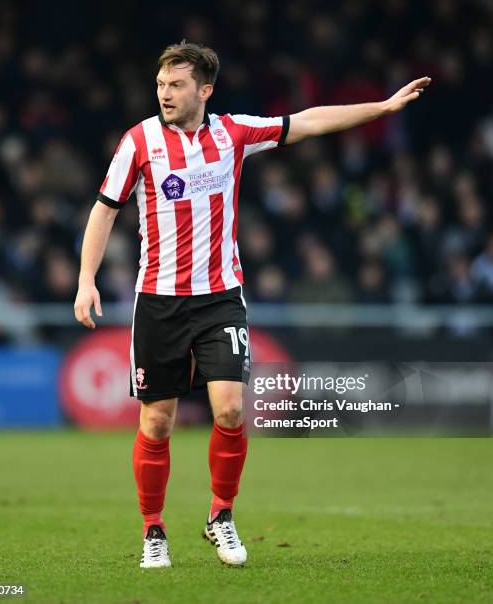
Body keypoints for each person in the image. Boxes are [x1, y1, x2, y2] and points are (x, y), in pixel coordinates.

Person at [74, 41, 430, 568]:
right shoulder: (139, 141)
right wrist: (86, 279)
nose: (165, 94)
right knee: (157, 423)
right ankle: (153, 529)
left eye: (176, 85)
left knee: (233, 409)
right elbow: (104, 211)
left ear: (204, 90)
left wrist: (381, 108)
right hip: (159, 302)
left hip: (220, 298)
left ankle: (221, 516)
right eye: (160, 85)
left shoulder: (233, 132)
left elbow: (307, 122)